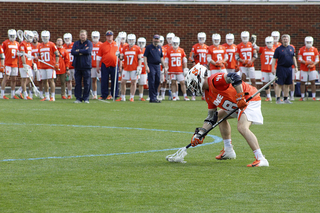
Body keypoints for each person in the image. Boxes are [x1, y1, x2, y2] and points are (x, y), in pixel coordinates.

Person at [186, 63, 269, 167]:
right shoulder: (208, 95)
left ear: (200, 77)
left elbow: (234, 77)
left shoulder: (215, 80)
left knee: (242, 127)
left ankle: (261, 158)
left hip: (249, 99)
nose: (193, 87)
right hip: (236, 104)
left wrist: (240, 97)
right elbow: (212, 118)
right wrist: (201, 133)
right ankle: (228, 150)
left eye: (193, 83)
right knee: (220, 115)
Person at [271, 34, 299, 104]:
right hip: (281, 68)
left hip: (289, 68)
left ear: (288, 40)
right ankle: (278, 98)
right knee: (279, 83)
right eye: (284, 39)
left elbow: (293, 57)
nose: (285, 40)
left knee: (287, 84)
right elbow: (274, 59)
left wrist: (296, 66)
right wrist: (273, 68)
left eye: (286, 39)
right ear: (282, 40)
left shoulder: (291, 48)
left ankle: (286, 98)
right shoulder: (278, 49)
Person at [117, 34, 142, 102]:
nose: (131, 41)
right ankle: (122, 96)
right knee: (122, 82)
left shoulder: (137, 48)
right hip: (126, 68)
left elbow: (140, 58)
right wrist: (118, 55)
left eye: (132, 40)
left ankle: (132, 97)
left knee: (133, 82)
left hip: (134, 68)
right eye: (130, 40)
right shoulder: (124, 48)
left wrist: (139, 66)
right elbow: (121, 58)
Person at [96, 30, 119, 100]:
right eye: (108, 36)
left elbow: (120, 56)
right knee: (104, 80)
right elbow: (99, 56)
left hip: (114, 65)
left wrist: (120, 65)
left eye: (111, 36)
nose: (109, 37)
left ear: (113, 36)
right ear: (106, 37)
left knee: (114, 80)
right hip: (105, 65)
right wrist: (97, 66)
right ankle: (104, 94)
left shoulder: (116, 44)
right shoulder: (102, 45)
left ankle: (114, 94)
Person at [71, 30, 93, 103]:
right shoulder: (76, 43)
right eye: (81, 35)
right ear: (79, 36)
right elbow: (72, 52)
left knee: (87, 83)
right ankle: (78, 98)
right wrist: (82, 51)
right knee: (78, 83)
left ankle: (86, 98)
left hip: (86, 66)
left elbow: (88, 51)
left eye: (84, 35)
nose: (82, 36)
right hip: (77, 65)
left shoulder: (89, 43)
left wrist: (78, 51)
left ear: (86, 36)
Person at [143, 34, 167, 103]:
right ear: (153, 39)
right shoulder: (149, 47)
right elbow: (145, 57)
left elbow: (161, 57)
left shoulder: (159, 48)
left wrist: (164, 67)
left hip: (157, 66)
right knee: (152, 81)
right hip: (151, 65)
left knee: (157, 81)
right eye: (155, 39)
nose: (156, 40)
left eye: (157, 39)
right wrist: (146, 66)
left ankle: (155, 96)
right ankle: (152, 97)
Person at [165, 36, 189, 101]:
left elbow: (184, 60)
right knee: (173, 82)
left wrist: (186, 68)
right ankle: (174, 96)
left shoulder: (181, 50)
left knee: (182, 83)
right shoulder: (169, 50)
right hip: (172, 70)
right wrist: (166, 67)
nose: (175, 44)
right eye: (174, 43)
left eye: (176, 43)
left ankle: (185, 96)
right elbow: (166, 60)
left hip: (179, 70)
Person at [38, 30, 60, 101]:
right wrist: (37, 58)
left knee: (51, 80)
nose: (45, 38)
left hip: (50, 66)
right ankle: (47, 96)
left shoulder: (52, 44)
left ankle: (52, 96)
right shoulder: (40, 45)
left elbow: (57, 54)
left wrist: (56, 63)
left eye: (46, 37)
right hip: (42, 66)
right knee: (44, 81)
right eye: (44, 37)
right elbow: (39, 55)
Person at [254, 36, 276, 102]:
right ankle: (268, 96)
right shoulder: (263, 49)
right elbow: (256, 47)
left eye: (270, 42)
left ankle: (277, 96)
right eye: (268, 42)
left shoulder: (275, 49)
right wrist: (254, 42)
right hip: (265, 69)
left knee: (275, 83)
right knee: (265, 83)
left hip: (273, 69)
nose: (269, 44)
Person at [297, 36, 319, 101]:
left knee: (313, 82)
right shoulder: (301, 49)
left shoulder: (315, 49)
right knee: (303, 82)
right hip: (304, 68)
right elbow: (299, 58)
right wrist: (306, 62)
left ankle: (313, 96)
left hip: (312, 69)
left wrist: (313, 64)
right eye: (307, 42)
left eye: (310, 42)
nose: (308, 43)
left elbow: (317, 59)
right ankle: (302, 96)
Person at [1, 29, 20, 99]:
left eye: (13, 36)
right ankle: (2, 94)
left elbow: (19, 52)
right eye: (11, 35)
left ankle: (12, 94)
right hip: (7, 63)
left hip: (14, 63)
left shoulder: (17, 43)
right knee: (6, 78)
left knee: (14, 79)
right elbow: (1, 52)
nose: (12, 37)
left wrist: (19, 54)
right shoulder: (5, 43)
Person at [189, 32, 208, 100]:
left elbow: (208, 58)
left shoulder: (207, 47)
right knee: (194, 80)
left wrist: (207, 65)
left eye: (202, 38)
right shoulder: (195, 47)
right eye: (200, 38)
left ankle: (203, 94)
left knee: (203, 81)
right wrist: (194, 63)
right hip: (197, 66)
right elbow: (191, 57)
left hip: (204, 66)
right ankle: (193, 94)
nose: (201, 40)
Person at [18, 30, 34, 100]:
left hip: (29, 64)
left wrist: (32, 63)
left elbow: (29, 55)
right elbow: (22, 55)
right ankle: (25, 95)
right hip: (24, 64)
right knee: (24, 79)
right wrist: (24, 64)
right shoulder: (22, 44)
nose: (31, 38)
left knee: (31, 78)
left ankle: (19, 90)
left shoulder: (29, 44)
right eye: (29, 37)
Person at [31, 31, 43, 99]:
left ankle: (41, 93)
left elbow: (42, 55)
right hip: (31, 65)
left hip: (39, 66)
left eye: (36, 37)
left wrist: (37, 58)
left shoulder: (40, 45)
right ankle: (31, 93)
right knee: (31, 80)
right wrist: (32, 63)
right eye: (33, 37)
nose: (34, 39)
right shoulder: (30, 45)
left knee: (40, 80)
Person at [91, 31, 102, 99]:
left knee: (101, 79)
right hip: (92, 65)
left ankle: (103, 93)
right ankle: (95, 94)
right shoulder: (90, 44)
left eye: (96, 37)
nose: (95, 38)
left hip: (99, 65)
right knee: (93, 80)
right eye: (94, 37)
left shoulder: (101, 44)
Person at [63, 33, 74, 99]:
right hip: (66, 66)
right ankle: (69, 94)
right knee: (68, 80)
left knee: (77, 80)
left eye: (68, 38)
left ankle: (77, 93)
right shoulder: (63, 46)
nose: (67, 40)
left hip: (74, 65)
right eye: (66, 39)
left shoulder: (74, 45)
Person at [137, 37, 147, 101]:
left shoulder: (146, 50)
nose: (141, 44)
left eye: (142, 43)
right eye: (140, 43)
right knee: (134, 83)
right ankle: (131, 96)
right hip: (136, 68)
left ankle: (141, 96)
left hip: (143, 69)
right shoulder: (136, 49)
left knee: (141, 84)